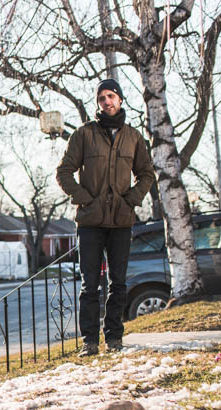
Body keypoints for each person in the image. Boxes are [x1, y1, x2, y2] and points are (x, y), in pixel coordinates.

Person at [56, 78, 156, 356]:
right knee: (89, 285)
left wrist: (131, 200)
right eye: (102, 98)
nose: (107, 101)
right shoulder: (84, 134)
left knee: (119, 283)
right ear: (98, 102)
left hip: (121, 222)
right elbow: (64, 172)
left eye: (111, 96)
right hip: (90, 222)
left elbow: (147, 173)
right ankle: (89, 341)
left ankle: (114, 338)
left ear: (120, 99)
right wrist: (85, 199)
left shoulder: (134, 137)